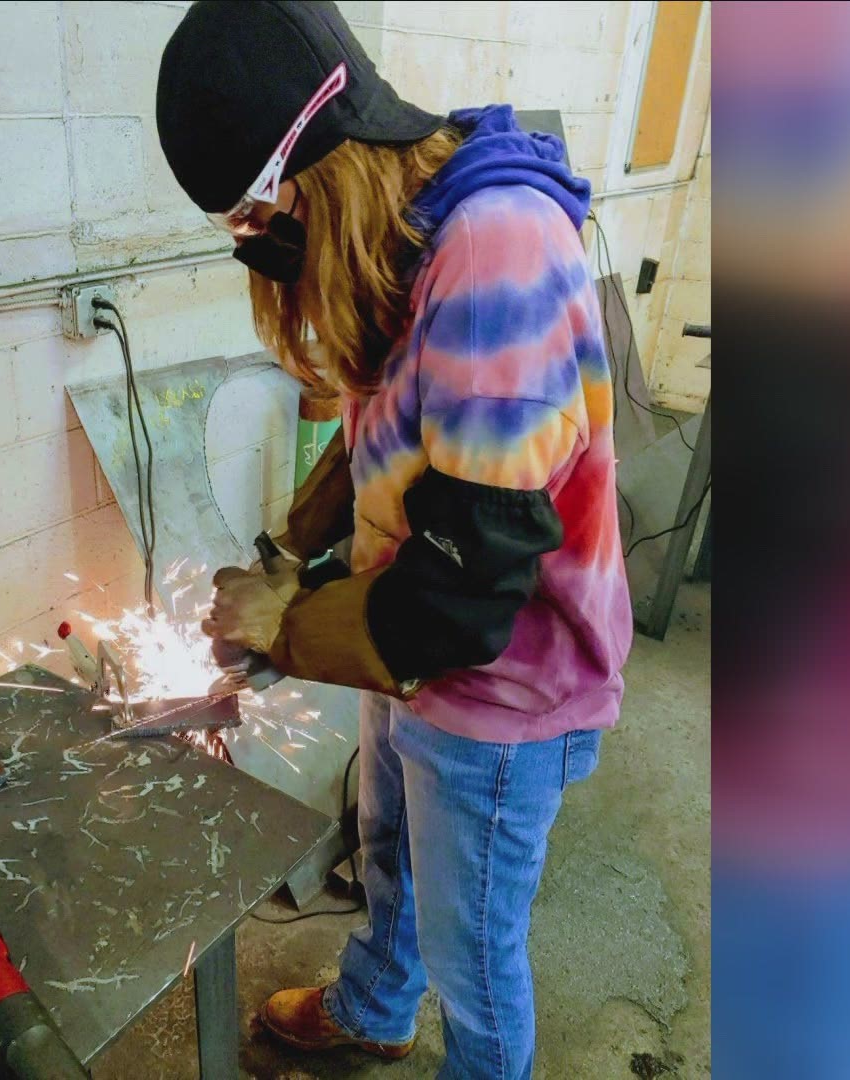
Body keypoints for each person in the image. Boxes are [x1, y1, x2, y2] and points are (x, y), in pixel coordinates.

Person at [155, 4, 632, 1077]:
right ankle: (375, 1007)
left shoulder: (496, 250)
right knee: (393, 860)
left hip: (504, 686)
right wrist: (289, 555)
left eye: (257, 218)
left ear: (309, 170)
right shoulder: (414, 233)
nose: (261, 247)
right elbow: (385, 425)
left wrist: (284, 628)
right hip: (413, 660)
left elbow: (463, 593)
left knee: (475, 959)